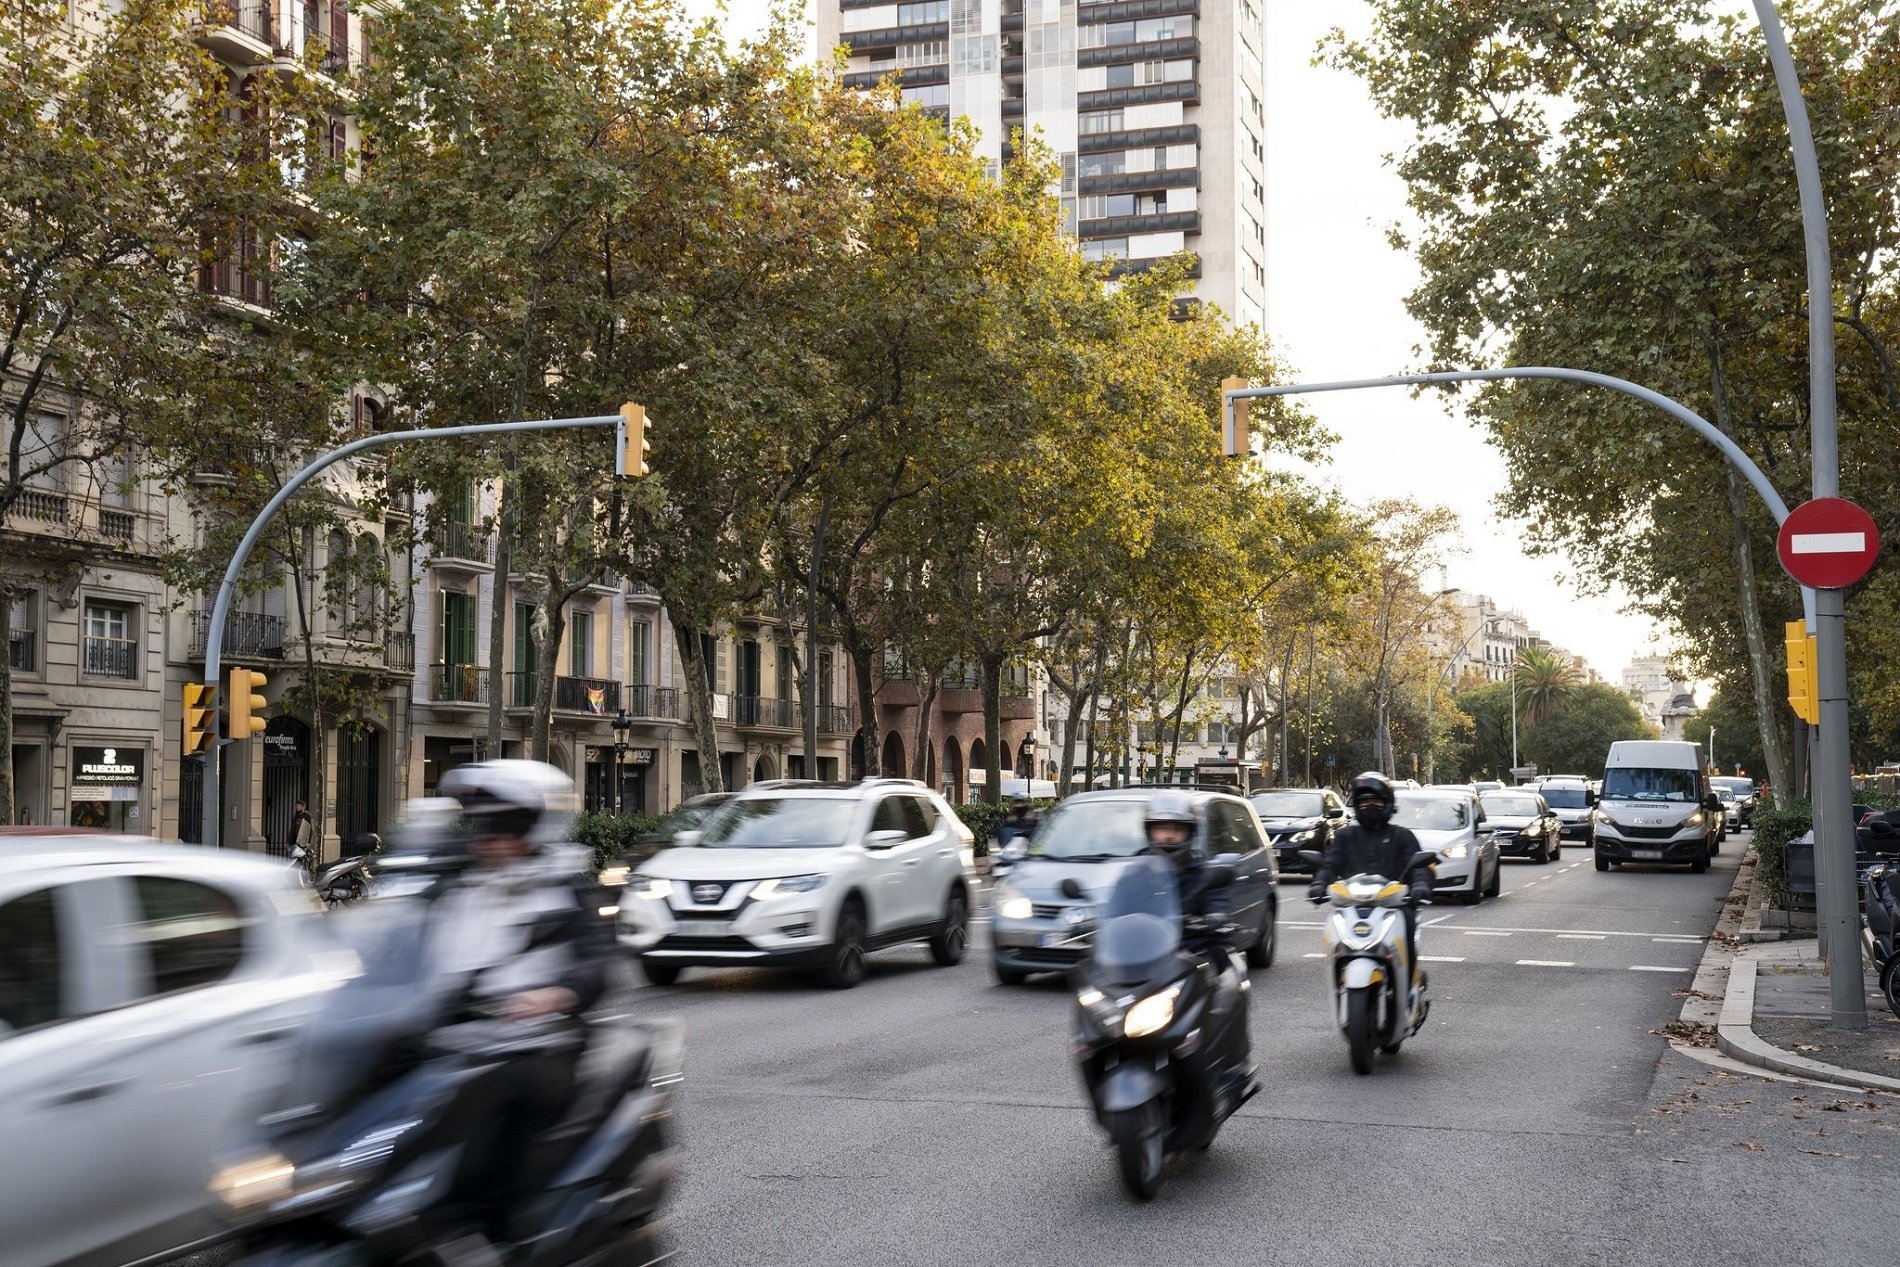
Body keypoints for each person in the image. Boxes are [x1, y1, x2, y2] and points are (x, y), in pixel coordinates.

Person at [430, 760, 615, 1231]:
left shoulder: (562, 883)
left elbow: (597, 961)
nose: (491, 837)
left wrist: (557, 995)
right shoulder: (457, 881)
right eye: (482, 825)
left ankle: (500, 1229)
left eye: (505, 825)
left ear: (536, 827)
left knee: (504, 1103)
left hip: (539, 1041)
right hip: (461, 1033)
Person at [1308, 771, 1435, 990]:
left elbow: (1420, 867)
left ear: (1388, 803)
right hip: (1351, 906)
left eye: (1376, 801)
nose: (1370, 806)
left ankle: (1408, 985)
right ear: (1356, 805)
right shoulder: (1345, 836)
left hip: (1396, 906)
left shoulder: (1403, 836)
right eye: (1364, 802)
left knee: (1407, 923)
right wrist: (1319, 884)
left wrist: (1421, 885)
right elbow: (1330, 864)